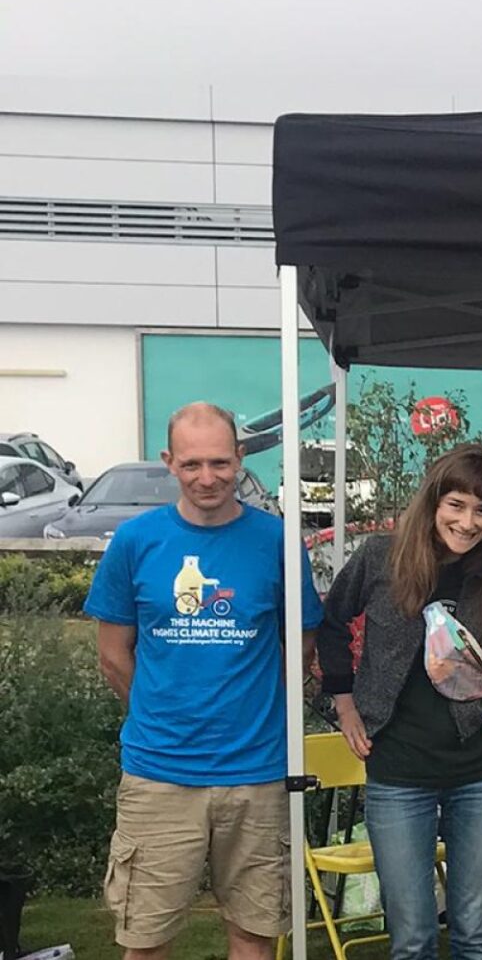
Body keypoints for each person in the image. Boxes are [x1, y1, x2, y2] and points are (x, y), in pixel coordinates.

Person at [88, 402, 323, 960]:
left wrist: (258, 710)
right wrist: (159, 709)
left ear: (241, 458)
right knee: (144, 940)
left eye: (221, 462)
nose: (208, 477)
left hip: (259, 772)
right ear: (169, 462)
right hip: (160, 775)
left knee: (255, 935)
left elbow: (303, 646)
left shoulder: (278, 541)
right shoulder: (135, 541)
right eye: (192, 464)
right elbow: (113, 655)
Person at [317, 444, 482, 960]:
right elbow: (330, 622)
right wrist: (344, 705)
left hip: (477, 774)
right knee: (412, 939)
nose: (468, 521)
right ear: (434, 502)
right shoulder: (379, 558)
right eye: (456, 505)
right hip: (397, 773)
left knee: (475, 935)